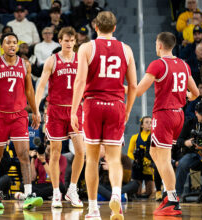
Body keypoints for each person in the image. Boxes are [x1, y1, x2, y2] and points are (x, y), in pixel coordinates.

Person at [71, 11, 137, 219]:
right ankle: (116, 194)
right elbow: (133, 85)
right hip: (116, 104)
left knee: (91, 159)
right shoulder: (126, 49)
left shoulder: (86, 48)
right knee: (114, 158)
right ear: (115, 28)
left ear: (95, 27)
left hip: (92, 105)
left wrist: (73, 110)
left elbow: (80, 81)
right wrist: (127, 110)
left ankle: (93, 209)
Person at [136, 32, 199, 216]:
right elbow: (195, 93)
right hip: (178, 114)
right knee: (156, 153)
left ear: (160, 45)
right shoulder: (183, 64)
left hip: (164, 115)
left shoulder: (158, 64)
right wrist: (183, 96)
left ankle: (172, 199)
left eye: (156, 43)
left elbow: (139, 91)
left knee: (162, 158)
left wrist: (115, 87)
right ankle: (168, 193)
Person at [0, 32, 43, 210]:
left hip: (19, 116)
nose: (12, 45)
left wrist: (35, 111)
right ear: (1, 45)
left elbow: (29, 91)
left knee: (24, 156)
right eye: (8, 42)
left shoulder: (25, 64)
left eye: (14, 43)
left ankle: (28, 194)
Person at [35, 27, 84, 208]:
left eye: (72, 41)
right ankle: (56, 192)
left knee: (80, 152)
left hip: (75, 110)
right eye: (66, 40)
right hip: (55, 110)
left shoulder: (81, 60)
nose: (69, 43)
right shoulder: (52, 60)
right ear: (60, 41)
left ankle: (72, 189)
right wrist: (35, 107)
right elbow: (41, 86)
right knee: (55, 152)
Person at [127, 116, 155, 198]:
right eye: (146, 122)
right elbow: (129, 152)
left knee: (150, 193)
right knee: (136, 193)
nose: (149, 124)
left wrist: (149, 161)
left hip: (149, 166)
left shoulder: (154, 137)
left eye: (151, 122)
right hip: (138, 166)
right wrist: (135, 159)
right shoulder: (135, 137)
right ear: (142, 125)